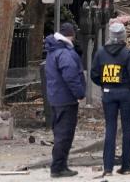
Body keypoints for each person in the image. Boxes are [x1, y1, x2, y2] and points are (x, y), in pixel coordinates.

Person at [90, 22, 130, 176]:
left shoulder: (101, 53)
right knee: (127, 130)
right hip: (126, 95)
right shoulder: (129, 54)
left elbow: (94, 74)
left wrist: (105, 84)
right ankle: (126, 167)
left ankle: (107, 168)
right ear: (124, 37)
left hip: (108, 94)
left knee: (110, 129)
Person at [44, 22, 86, 178]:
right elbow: (71, 76)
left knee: (59, 133)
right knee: (65, 134)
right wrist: (80, 93)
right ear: (72, 35)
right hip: (66, 99)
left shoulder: (53, 50)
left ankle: (61, 165)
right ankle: (58, 167)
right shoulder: (65, 53)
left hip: (55, 97)